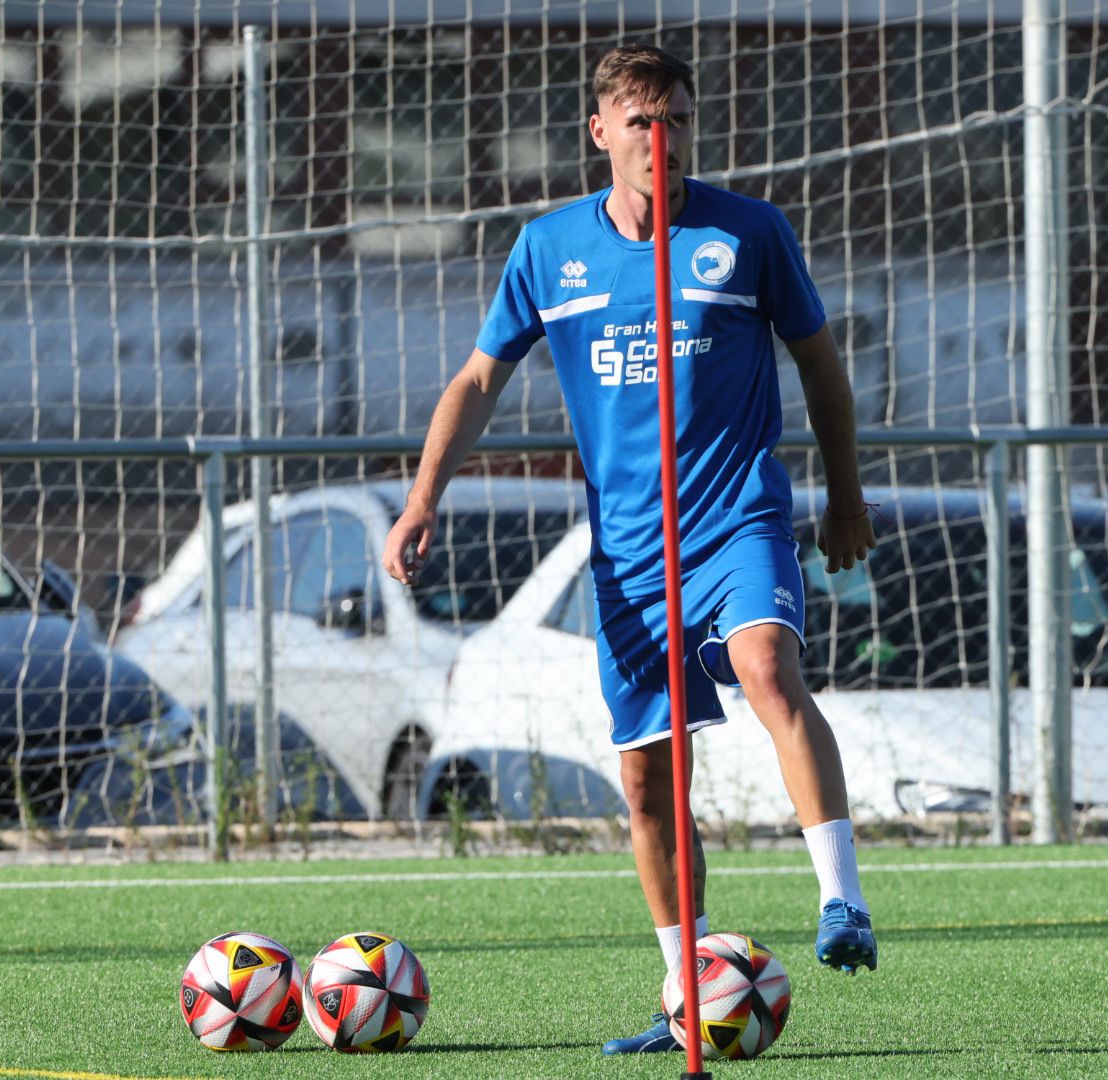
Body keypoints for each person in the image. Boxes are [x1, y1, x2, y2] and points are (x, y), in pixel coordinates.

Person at [381, 42, 878, 1055]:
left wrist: (843, 495)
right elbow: (480, 380)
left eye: (680, 120)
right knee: (649, 781)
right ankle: (681, 990)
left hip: (737, 518)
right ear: (602, 133)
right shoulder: (550, 250)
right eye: (644, 123)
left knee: (768, 669)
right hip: (628, 556)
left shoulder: (748, 234)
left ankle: (842, 901)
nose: (665, 141)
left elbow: (820, 366)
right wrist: (422, 496)